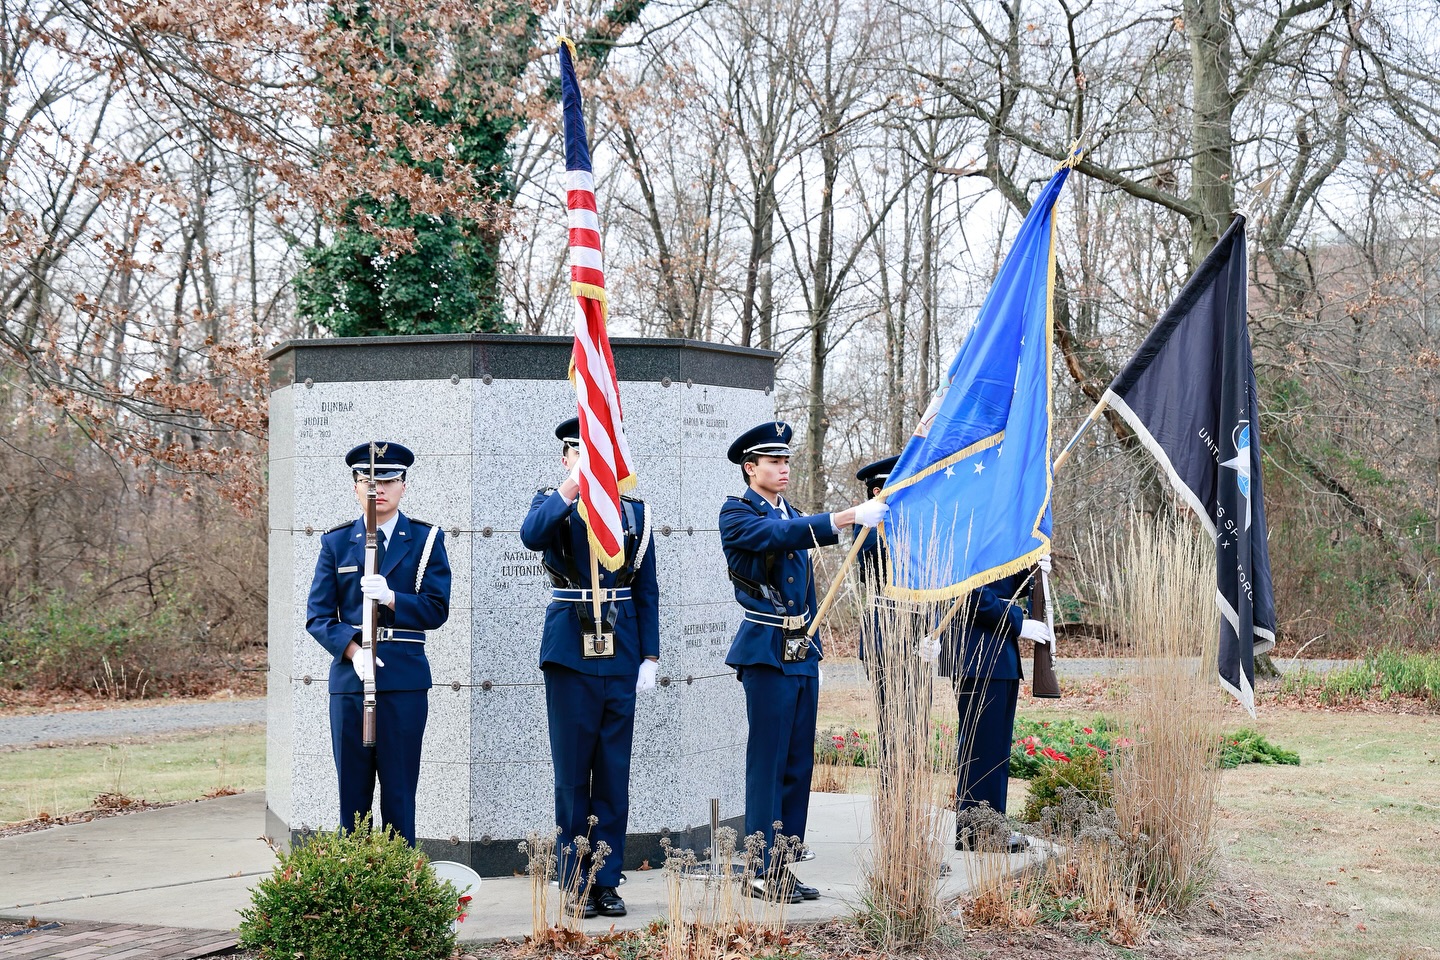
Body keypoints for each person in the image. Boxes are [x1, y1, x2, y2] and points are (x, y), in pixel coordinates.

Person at [720, 421, 887, 902]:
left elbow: (798, 550)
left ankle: (783, 865)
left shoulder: (790, 511)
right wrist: (849, 514)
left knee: (797, 762)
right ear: (750, 468)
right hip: (767, 649)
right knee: (768, 761)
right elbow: (778, 536)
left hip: (800, 651)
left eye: (787, 461)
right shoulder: (737, 513)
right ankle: (758, 866)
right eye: (773, 462)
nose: (783, 468)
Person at [521, 417, 660, 920]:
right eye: (582, 451)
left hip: (620, 647)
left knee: (614, 772)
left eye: (601, 450)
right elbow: (531, 537)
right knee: (572, 772)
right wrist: (573, 486)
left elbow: (646, 587)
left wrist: (649, 655)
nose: (594, 458)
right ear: (566, 457)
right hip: (569, 648)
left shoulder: (634, 512)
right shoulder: (551, 502)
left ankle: (606, 878)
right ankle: (574, 877)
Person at [306, 441, 451, 846]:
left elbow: (436, 609)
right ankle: (356, 889)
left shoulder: (425, 539)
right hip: (351, 681)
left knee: (400, 793)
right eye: (368, 480)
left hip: (403, 679)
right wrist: (353, 651)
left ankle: (402, 889)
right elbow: (317, 617)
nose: (378, 488)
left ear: (403, 484)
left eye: (387, 479)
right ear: (355, 485)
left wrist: (392, 598)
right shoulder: (336, 543)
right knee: (352, 797)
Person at [939, 570, 1051, 852]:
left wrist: (1033, 568)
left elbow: (1003, 580)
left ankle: (989, 827)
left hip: (999, 653)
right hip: (978, 652)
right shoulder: (969, 529)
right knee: (981, 748)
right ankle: (978, 832)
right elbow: (968, 593)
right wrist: (1017, 622)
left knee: (996, 750)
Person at [852, 456, 931, 772]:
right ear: (877, 491)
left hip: (919, 632)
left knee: (917, 724)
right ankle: (891, 796)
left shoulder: (918, 524)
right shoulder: (870, 528)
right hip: (886, 635)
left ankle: (909, 797)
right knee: (893, 727)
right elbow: (873, 557)